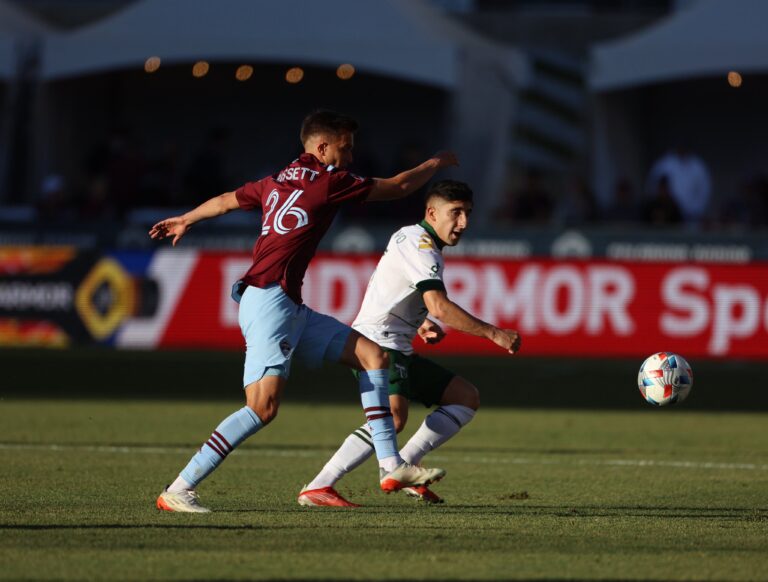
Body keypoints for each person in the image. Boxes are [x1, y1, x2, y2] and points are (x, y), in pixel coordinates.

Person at [149, 110, 458, 512]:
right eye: (345, 149)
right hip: (269, 301)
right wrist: (436, 163)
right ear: (323, 147)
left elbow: (227, 200)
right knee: (262, 408)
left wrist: (187, 219)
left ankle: (390, 465)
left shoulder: (275, 180)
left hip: (286, 304)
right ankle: (179, 488)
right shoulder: (329, 182)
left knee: (371, 355)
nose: (350, 157)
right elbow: (399, 186)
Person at [297, 180, 521, 507]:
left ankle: (406, 466)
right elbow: (439, 305)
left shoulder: (417, 240)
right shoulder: (420, 245)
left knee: (464, 397)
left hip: (397, 342)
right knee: (393, 417)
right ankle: (320, 485)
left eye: (468, 214)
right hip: (377, 343)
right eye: (455, 213)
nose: (463, 223)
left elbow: (398, 292)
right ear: (431, 212)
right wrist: (494, 333)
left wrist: (420, 324)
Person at [646, 146, 711, 228]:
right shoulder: (665, 163)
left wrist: (696, 212)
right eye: (662, 188)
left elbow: (704, 193)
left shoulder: (697, 166)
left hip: (692, 218)